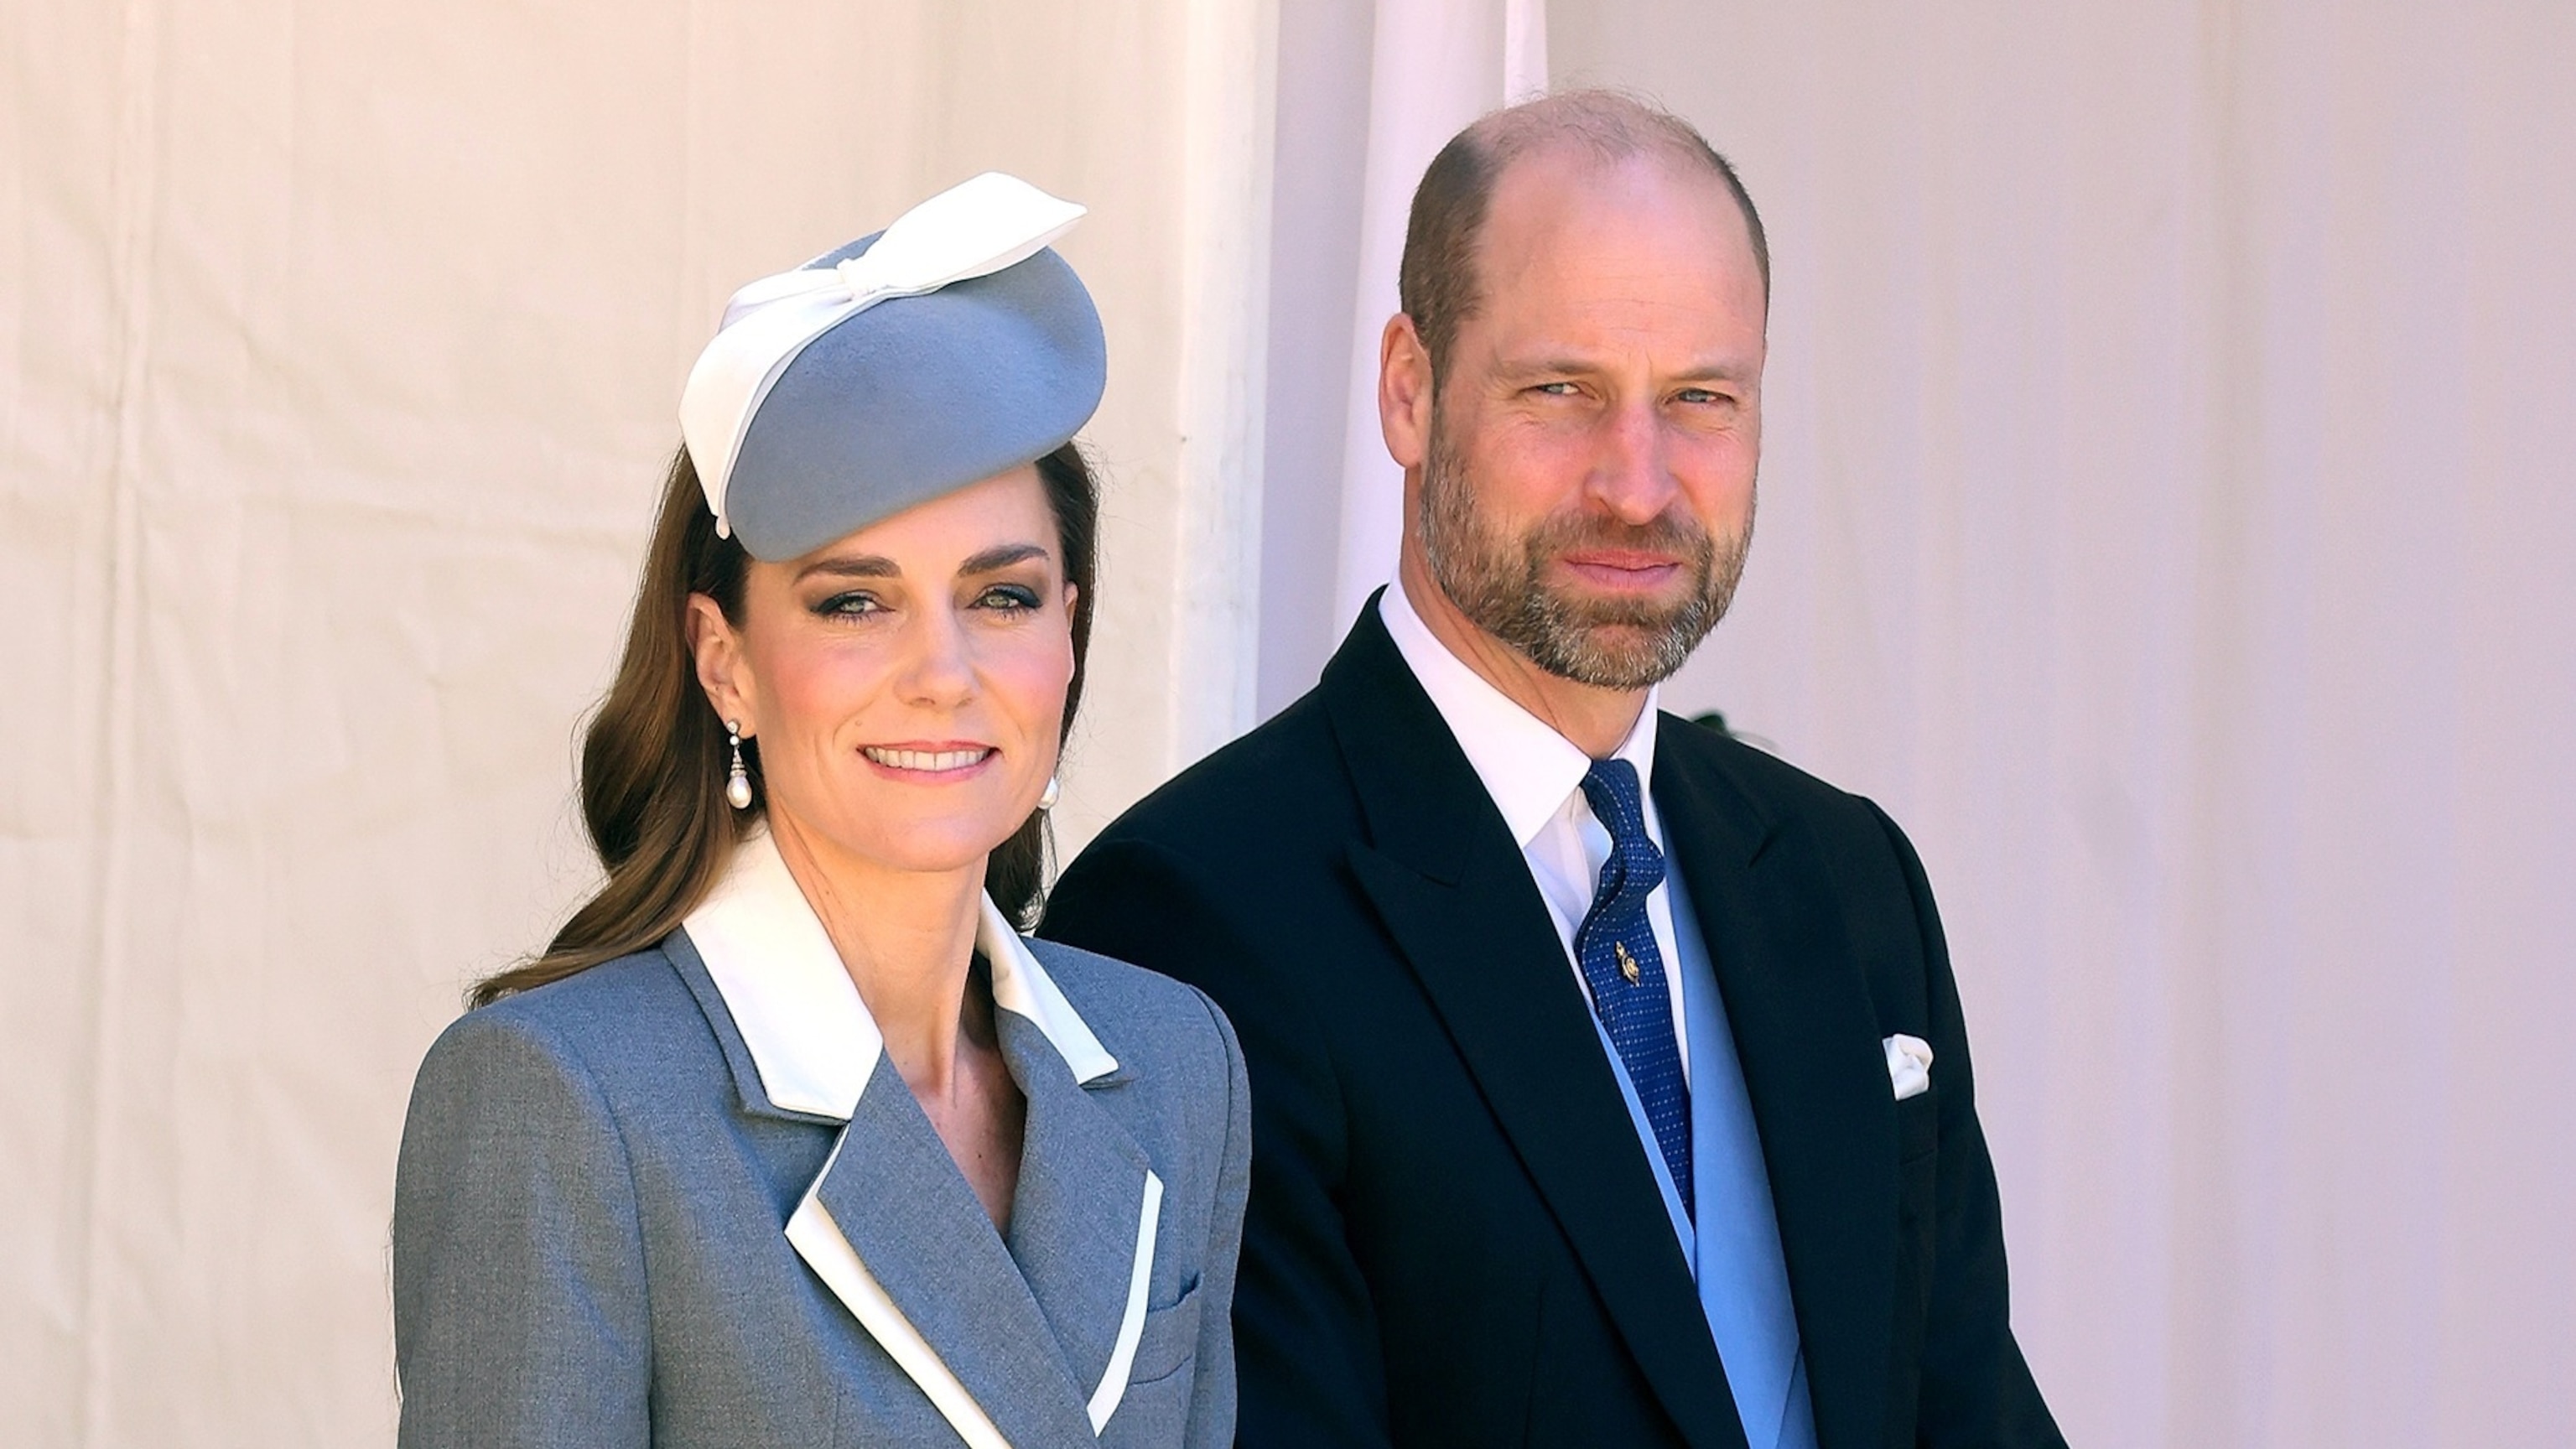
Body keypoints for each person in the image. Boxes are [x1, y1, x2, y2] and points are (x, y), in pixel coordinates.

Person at [1041, 94, 2064, 1448]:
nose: (1638, 485)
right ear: (1410, 391)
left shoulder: (1848, 877)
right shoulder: (1189, 919)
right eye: (1561, 391)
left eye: (1700, 399)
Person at [392, 174, 1249, 1449]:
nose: (943, 673)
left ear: (1068, 634)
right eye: (856, 602)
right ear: (724, 659)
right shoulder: (561, 1104)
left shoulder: (1178, 1064)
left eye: (1002, 597)